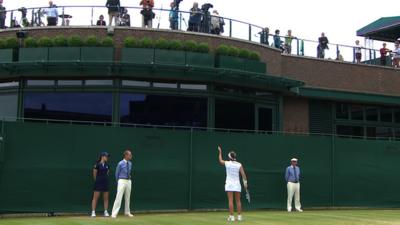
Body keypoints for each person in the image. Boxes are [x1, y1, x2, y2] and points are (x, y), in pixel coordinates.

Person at [218, 146, 248, 222]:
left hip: (229, 184)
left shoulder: (227, 163)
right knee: (238, 201)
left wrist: (220, 152)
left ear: (229, 157)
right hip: (237, 184)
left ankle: (231, 217)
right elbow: (243, 175)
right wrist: (245, 183)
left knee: (230, 201)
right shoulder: (239, 164)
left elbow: (220, 160)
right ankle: (239, 217)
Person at [111, 150, 134, 218]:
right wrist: (118, 181)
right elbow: (116, 173)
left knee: (128, 197)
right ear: (126, 155)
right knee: (119, 197)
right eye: (130, 155)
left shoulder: (130, 163)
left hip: (128, 181)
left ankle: (127, 212)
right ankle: (114, 213)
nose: (131, 156)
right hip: (121, 180)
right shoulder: (120, 163)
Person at [91, 152, 111, 217]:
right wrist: (97, 181)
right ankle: (93, 212)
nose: (107, 158)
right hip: (98, 183)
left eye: (107, 156)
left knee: (106, 198)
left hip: (105, 183)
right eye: (106, 156)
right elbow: (94, 174)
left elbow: (107, 173)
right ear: (102, 157)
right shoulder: (97, 165)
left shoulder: (107, 165)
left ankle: (105, 211)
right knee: (95, 198)